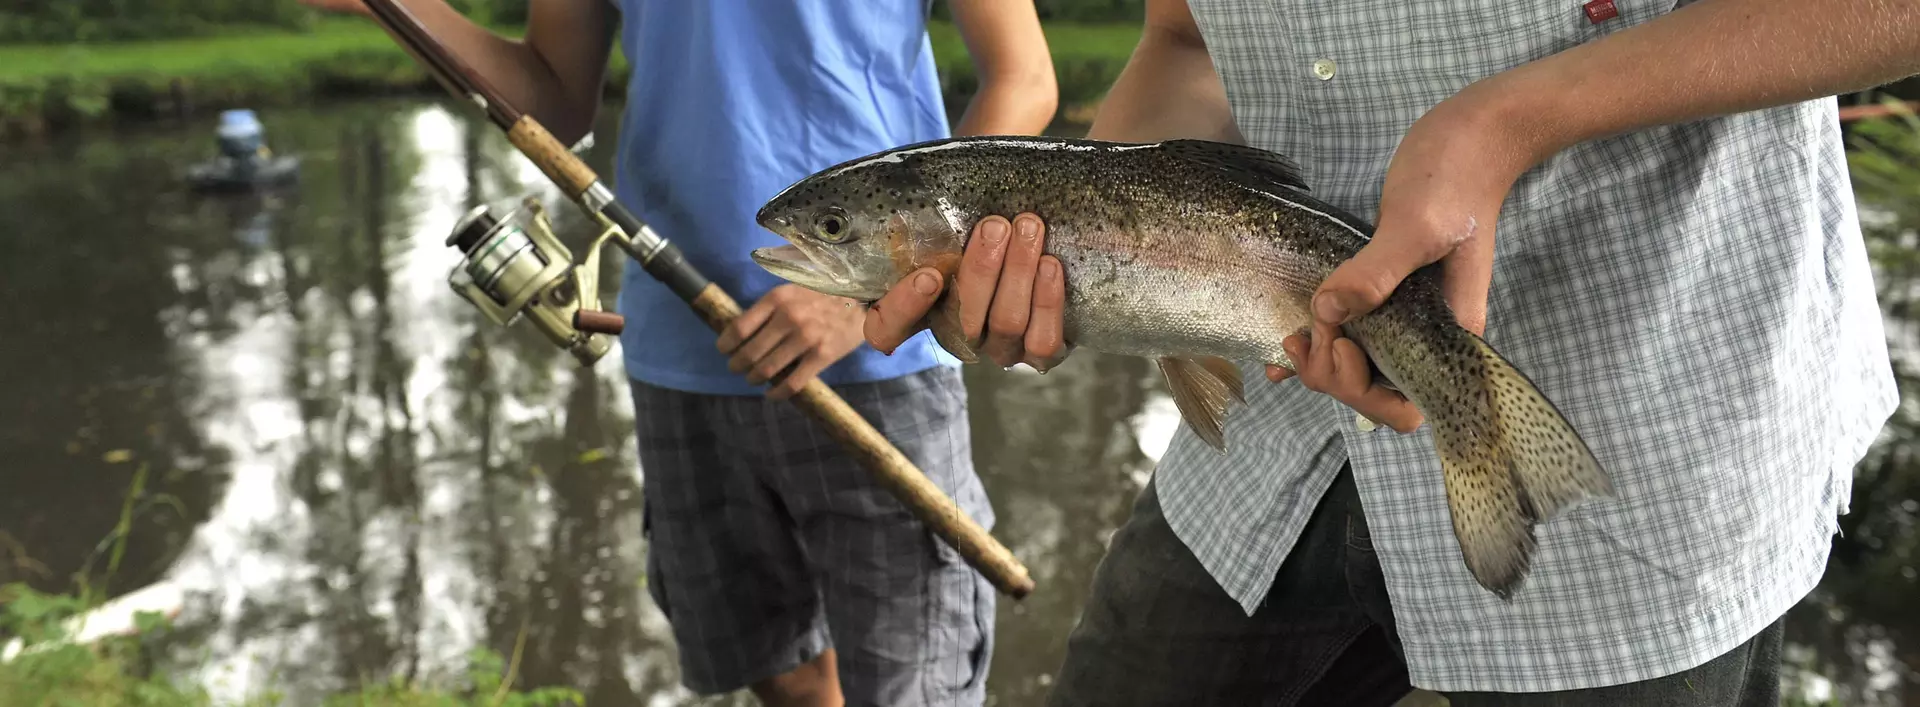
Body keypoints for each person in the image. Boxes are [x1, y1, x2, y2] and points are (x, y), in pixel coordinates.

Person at [864, 0, 1920, 703]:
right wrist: (1079, 256)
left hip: (1644, 424)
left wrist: (1513, 117)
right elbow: (1188, 41)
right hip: (1265, 459)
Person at [300, 0, 1059, 705]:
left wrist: (872, 292)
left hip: (879, 355)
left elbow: (1021, 75)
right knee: (779, 671)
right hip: (679, 349)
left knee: (914, 686)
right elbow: (553, 95)